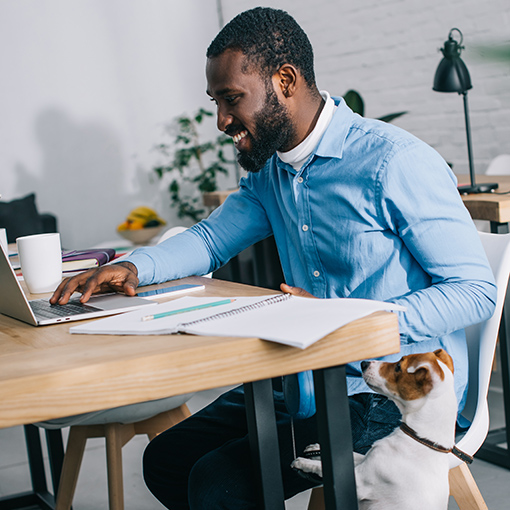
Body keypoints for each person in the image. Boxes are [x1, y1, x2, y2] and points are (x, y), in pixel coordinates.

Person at [51, 7, 497, 509]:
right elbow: (210, 240)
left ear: (285, 80)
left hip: (391, 392)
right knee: (167, 461)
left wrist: (347, 321)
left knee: (219, 485)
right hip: (307, 375)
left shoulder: (394, 162)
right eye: (216, 101)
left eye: (232, 99)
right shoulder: (270, 175)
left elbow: (475, 291)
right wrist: (132, 268)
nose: (221, 120)